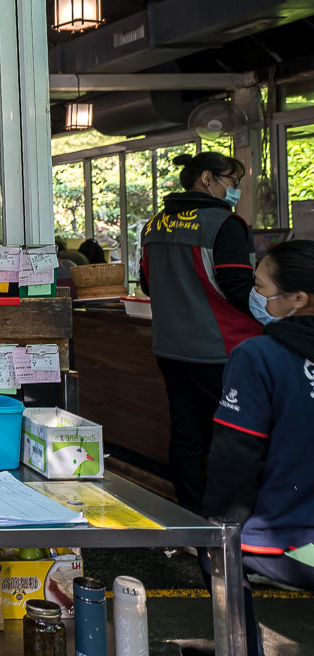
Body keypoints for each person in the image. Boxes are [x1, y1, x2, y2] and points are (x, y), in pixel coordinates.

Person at [202, 240, 314, 656]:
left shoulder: (259, 356)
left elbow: (235, 458)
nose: (255, 295)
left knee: (215, 552)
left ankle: (240, 647)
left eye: (262, 287)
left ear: (298, 299)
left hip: (285, 543)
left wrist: (217, 533)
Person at [138, 152, 260, 512]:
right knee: (233, 438)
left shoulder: (154, 224)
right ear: (208, 179)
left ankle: (193, 521)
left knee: (187, 437)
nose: (235, 189)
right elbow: (239, 288)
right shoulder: (225, 224)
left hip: (171, 350)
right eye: (232, 181)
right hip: (224, 350)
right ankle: (230, 527)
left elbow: (147, 285)